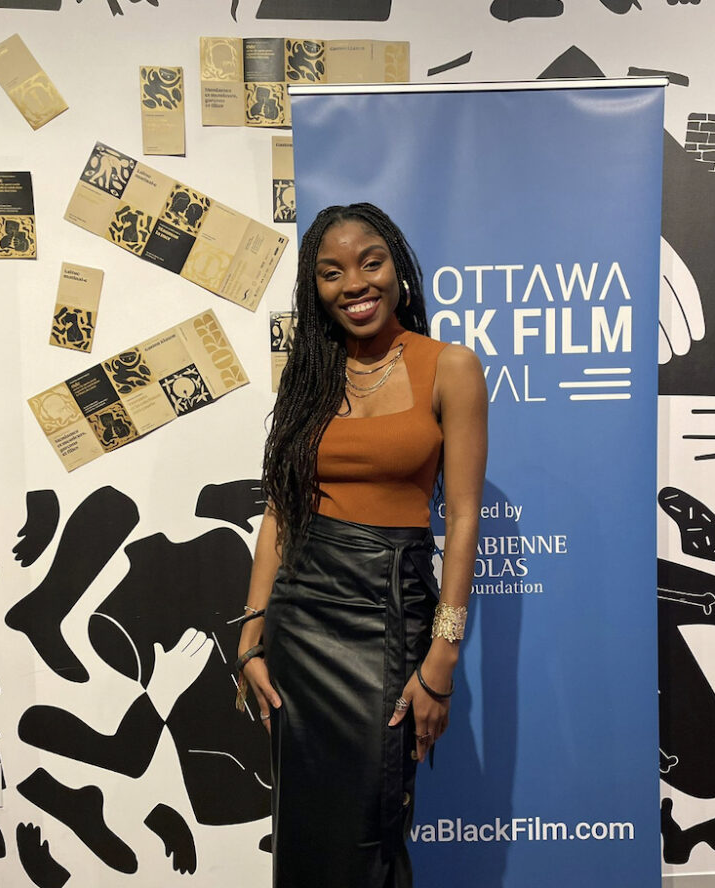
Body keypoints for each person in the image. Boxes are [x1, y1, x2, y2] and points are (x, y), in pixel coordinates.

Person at [236, 202, 487, 887]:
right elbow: (279, 512)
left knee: (373, 835)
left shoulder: (451, 367)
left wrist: (443, 652)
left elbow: (463, 517)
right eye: (331, 272)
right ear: (314, 290)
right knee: (306, 835)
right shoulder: (310, 373)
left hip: (389, 614)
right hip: (301, 625)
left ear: (398, 271)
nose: (354, 283)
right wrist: (252, 632)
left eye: (369, 263)